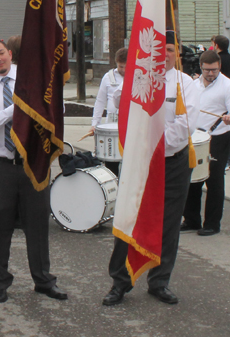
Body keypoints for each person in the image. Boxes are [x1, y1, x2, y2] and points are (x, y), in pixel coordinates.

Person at [102, 31, 200, 306]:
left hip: (172, 163)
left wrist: (153, 142)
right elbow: (123, 114)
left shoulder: (185, 84)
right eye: (161, 49)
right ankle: (120, 282)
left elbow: (186, 124)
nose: (165, 54)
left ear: (177, 53)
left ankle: (159, 281)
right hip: (140, 162)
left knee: (168, 224)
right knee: (128, 219)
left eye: (171, 49)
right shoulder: (136, 80)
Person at [0, 39, 66, 304]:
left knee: (37, 225)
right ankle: (0, 281)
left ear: (10, 54)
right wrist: (15, 110)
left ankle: (44, 280)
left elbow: (55, 110)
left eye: (1, 53)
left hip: (33, 163)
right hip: (1, 166)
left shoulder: (32, 82)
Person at [182, 50, 230, 236]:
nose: (211, 74)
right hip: (196, 137)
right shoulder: (194, 85)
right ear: (201, 67)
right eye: (208, 70)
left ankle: (211, 223)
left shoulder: (226, 85)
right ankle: (191, 220)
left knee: (214, 180)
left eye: (215, 70)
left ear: (219, 67)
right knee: (193, 178)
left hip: (218, 136)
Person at [89, 47, 128, 175]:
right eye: (120, 66)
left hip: (129, 122)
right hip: (112, 122)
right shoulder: (108, 77)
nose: (122, 69)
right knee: (111, 157)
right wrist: (95, 124)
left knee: (128, 160)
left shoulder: (137, 76)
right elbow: (100, 102)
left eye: (125, 66)